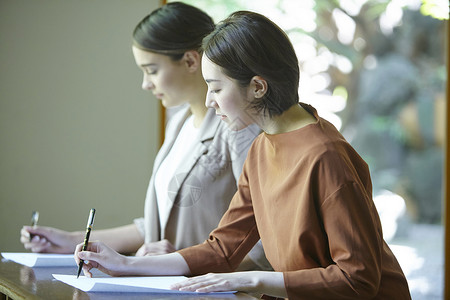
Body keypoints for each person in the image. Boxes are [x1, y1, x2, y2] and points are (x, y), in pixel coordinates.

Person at [74, 11, 412, 299]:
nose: (209, 101)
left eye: (217, 88)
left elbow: (359, 279)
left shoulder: (326, 157)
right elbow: (222, 248)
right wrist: (125, 263)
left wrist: (252, 279)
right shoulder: (263, 147)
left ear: (258, 87)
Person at [21, 3, 270, 271]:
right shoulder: (180, 124)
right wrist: (70, 240)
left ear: (190, 60)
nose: (145, 83)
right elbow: (159, 223)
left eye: (151, 70)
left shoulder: (240, 129)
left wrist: (179, 262)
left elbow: (263, 246)